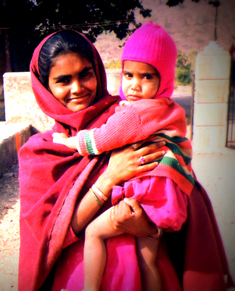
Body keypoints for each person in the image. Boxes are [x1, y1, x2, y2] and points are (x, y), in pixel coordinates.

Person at [18, 28, 233, 291]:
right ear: (45, 87)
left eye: (85, 74)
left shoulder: (130, 118)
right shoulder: (41, 154)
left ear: (97, 71)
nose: (78, 88)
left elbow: (176, 191)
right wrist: (109, 178)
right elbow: (49, 236)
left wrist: (150, 228)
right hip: (80, 276)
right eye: (63, 80)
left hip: (148, 270)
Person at [52, 22, 191, 291]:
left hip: (143, 201)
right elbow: (49, 233)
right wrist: (111, 176)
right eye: (129, 75)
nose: (135, 86)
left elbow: (101, 139)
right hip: (162, 205)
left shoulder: (132, 113)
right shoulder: (168, 110)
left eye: (147, 77)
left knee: (96, 232)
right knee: (147, 260)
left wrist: (68, 141)